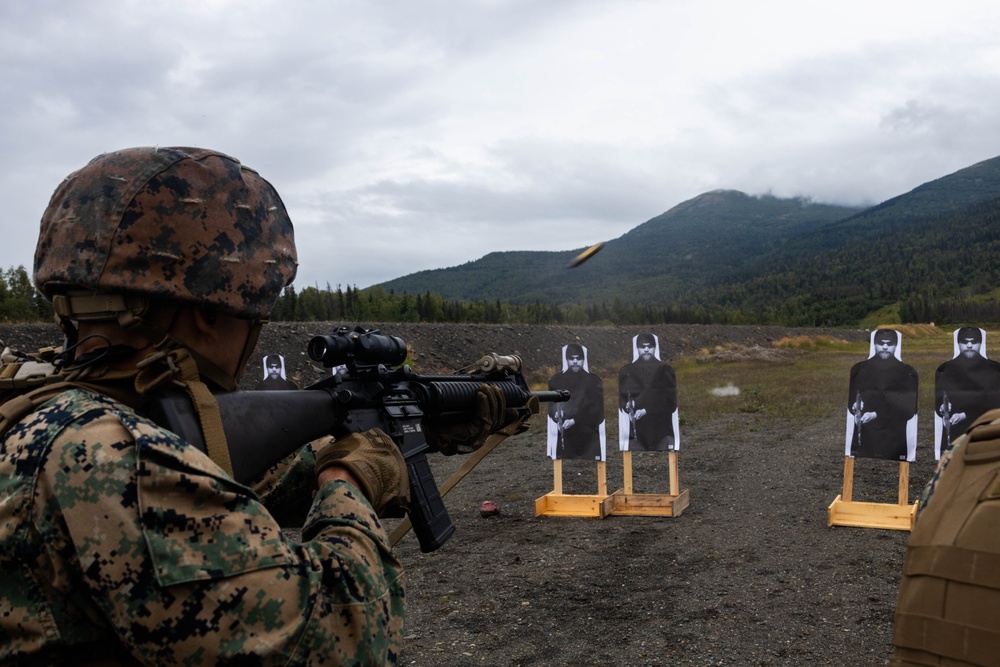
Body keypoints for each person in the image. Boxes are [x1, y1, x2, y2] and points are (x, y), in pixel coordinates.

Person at [0, 146, 524, 665]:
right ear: (210, 314)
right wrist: (351, 481)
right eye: (256, 313)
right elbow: (345, 638)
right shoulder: (111, 458)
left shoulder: (42, 399)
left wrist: (423, 432)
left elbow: (231, 477)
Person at [845, 329, 919, 461]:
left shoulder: (907, 372)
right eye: (881, 343)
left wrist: (876, 414)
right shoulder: (860, 369)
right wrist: (855, 404)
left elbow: (908, 410)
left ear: (896, 345)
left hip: (895, 439)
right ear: (874, 344)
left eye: (889, 343)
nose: (885, 347)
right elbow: (852, 403)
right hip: (864, 437)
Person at [933, 326, 1000, 459]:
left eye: (974, 342)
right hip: (954, 433)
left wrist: (965, 414)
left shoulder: (994, 370)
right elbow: (940, 398)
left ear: (980, 343)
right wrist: (942, 406)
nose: (969, 345)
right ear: (958, 343)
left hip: (984, 430)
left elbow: (995, 404)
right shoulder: (945, 369)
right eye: (965, 342)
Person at [617, 333, 678, 451]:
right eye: (642, 346)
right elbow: (623, 397)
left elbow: (671, 403)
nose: (646, 349)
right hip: (637, 431)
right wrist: (627, 405)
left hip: (661, 430)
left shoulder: (665, 370)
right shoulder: (628, 371)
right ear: (637, 348)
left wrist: (647, 410)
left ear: (655, 348)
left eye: (649, 346)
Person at [546, 343, 605, 461]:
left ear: (584, 359)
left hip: (588, 436)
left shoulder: (593, 381)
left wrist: (575, 420)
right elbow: (552, 405)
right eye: (571, 358)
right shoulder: (557, 380)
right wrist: (555, 414)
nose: (575, 361)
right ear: (566, 359)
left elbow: (598, 412)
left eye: (578, 358)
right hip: (564, 436)